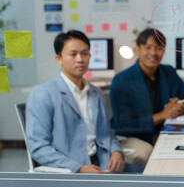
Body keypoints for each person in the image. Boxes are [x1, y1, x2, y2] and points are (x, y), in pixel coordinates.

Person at [26, 30, 143, 173]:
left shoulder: (96, 93)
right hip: (71, 172)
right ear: (59, 59)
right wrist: (79, 169)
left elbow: (107, 133)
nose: (80, 59)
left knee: (153, 174)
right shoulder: (43, 94)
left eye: (85, 53)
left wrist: (117, 151)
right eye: (73, 54)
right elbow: (39, 147)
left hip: (103, 165)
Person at [110, 28, 184, 165]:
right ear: (137, 49)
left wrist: (181, 108)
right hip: (135, 138)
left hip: (166, 133)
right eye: (148, 47)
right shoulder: (122, 80)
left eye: (159, 48)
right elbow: (122, 125)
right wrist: (163, 115)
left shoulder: (168, 72)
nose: (153, 53)